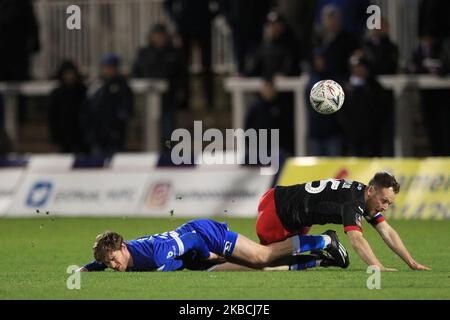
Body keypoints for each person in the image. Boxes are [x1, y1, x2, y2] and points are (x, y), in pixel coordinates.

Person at [253, 172, 431, 271]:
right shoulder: (353, 201)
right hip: (277, 210)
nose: (385, 207)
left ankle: (322, 253)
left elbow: (387, 231)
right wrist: (378, 267)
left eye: (389, 204)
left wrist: (412, 263)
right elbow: (356, 239)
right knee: (263, 262)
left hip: (295, 216)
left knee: (285, 265)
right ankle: (325, 242)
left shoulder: (363, 197)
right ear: (371, 190)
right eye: (384, 201)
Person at [79, 218, 349, 272]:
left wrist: (209, 254)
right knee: (261, 270)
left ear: (124, 247)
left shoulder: (158, 254)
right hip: (193, 260)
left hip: (203, 235)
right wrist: (90, 268)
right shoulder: (122, 255)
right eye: (109, 263)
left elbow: (193, 240)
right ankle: (323, 259)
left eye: (114, 259)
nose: (114, 266)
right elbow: (105, 259)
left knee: (261, 256)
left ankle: (325, 239)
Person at [132, 23, 184, 148]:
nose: (159, 38)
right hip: (149, 100)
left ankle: (169, 152)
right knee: (150, 130)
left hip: (168, 99)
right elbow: (136, 71)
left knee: (168, 131)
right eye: (156, 36)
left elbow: (180, 75)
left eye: (161, 36)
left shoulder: (174, 53)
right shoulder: (144, 53)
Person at [84, 54, 133, 156]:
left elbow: (125, 109)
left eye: (110, 67)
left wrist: (117, 126)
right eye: (105, 67)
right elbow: (89, 108)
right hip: (97, 134)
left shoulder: (122, 86)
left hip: (114, 134)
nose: (107, 70)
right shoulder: (97, 86)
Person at [48, 60, 88, 153]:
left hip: (80, 135)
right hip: (64, 136)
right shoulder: (57, 93)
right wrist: (55, 136)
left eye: (71, 73)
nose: (70, 76)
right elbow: (53, 116)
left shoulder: (82, 91)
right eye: (67, 74)